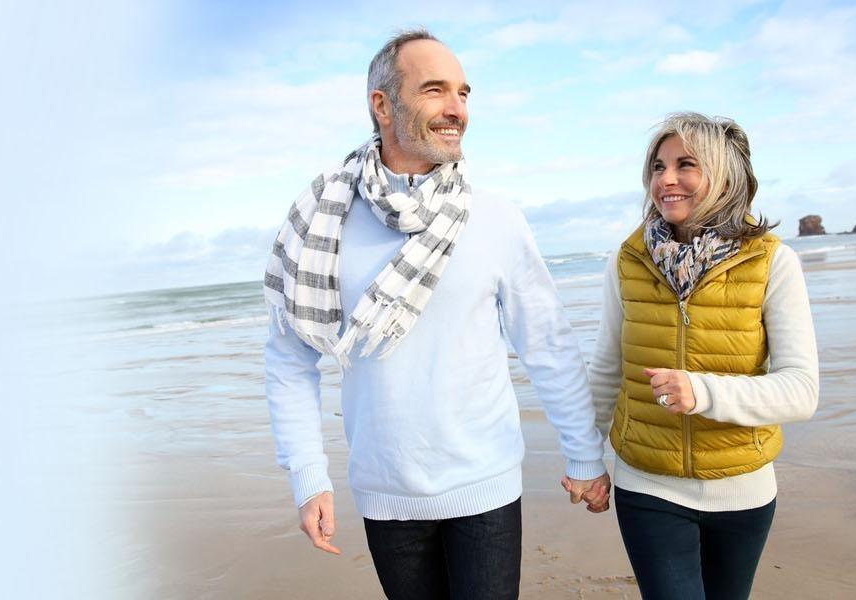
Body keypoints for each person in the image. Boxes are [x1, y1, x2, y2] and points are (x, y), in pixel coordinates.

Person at [262, 29, 611, 600]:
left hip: (485, 487)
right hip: (384, 489)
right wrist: (308, 476)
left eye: (464, 93)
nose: (457, 110)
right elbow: (289, 358)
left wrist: (583, 452)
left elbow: (546, 343)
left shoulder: (494, 218)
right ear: (383, 104)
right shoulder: (324, 220)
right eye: (434, 90)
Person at [585, 112, 821, 600]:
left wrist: (704, 392)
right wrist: (584, 458)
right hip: (648, 486)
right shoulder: (626, 261)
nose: (665, 180)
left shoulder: (773, 262)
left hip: (744, 490)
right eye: (657, 166)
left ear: (724, 176)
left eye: (684, 165)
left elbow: (802, 391)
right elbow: (608, 369)